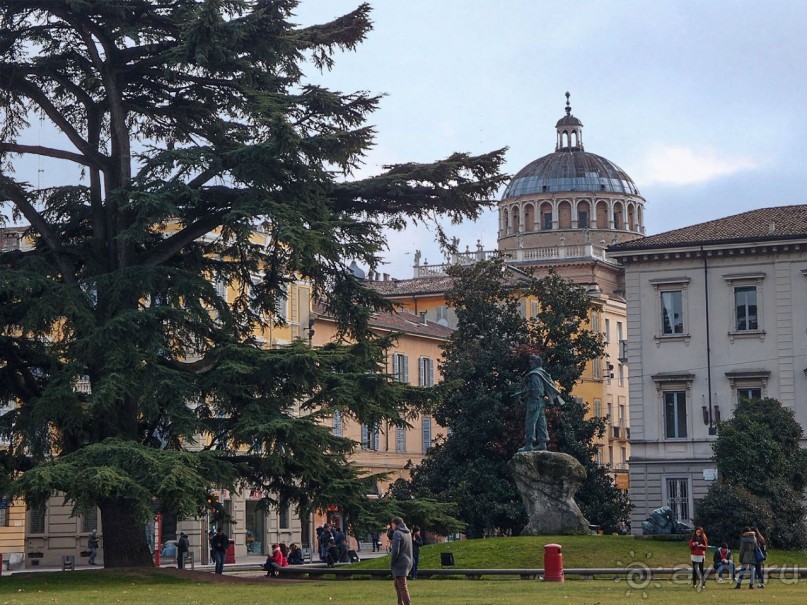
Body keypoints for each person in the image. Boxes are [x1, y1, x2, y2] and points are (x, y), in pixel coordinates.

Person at [517, 355, 564, 452]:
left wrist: (526, 396)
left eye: (531, 363)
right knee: (541, 422)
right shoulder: (542, 373)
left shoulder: (535, 374)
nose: (530, 365)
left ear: (535, 363)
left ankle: (529, 444)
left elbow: (536, 390)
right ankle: (543, 443)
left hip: (534, 400)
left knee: (530, 422)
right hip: (541, 401)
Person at [390, 516, 413, 605]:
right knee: (397, 584)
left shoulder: (397, 533)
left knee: (402, 586)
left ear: (395, 524)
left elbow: (395, 550)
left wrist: (392, 562)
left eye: (392, 524)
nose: (392, 526)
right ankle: (400, 603)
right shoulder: (408, 533)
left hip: (400, 562)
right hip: (408, 561)